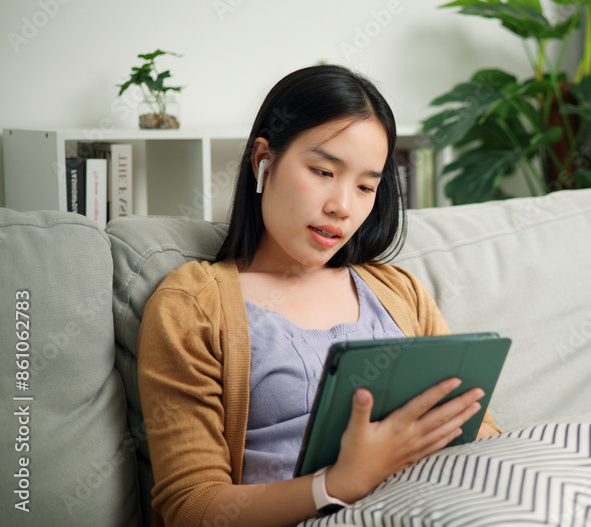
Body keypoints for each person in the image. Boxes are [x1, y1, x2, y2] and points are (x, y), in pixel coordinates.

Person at [137, 65, 502, 527]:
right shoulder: (191, 306)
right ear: (263, 161)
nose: (342, 207)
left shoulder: (398, 291)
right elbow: (191, 507)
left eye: (365, 186)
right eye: (323, 171)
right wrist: (337, 484)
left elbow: (478, 426)